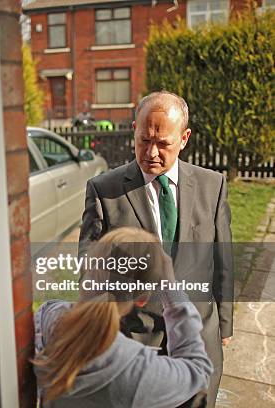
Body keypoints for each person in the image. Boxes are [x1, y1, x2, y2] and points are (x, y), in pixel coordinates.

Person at [78, 91, 233, 407]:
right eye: (143, 140)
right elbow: (89, 270)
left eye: (163, 144)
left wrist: (225, 323)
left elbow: (223, 259)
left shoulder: (212, 185)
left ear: (184, 138)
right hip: (135, 343)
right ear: (134, 129)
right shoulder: (104, 190)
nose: (151, 152)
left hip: (200, 339)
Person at [34, 227, 213, 408]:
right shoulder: (139, 370)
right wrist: (171, 288)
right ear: (142, 299)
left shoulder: (48, 318)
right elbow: (197, 371)